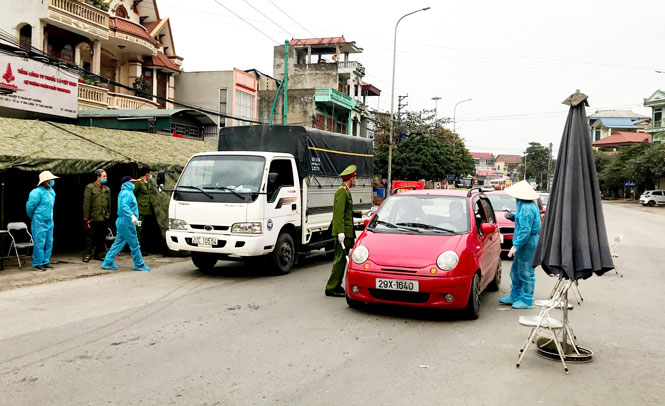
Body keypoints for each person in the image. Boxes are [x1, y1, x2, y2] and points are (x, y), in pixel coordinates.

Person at [499, 180, 541, 309]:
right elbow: (521, 220)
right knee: (516, 271)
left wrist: (516, 245)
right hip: (525, 243)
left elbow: (525, 230)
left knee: (526, 272)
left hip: (528, 244)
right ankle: (515, 295)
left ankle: (527, 300)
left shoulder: (527, 207)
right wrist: (511, 216)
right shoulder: (525, 205)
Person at [325, 165, 362, 297]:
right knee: (340, 260)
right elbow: (339, 214)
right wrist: (340, 232)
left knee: (341, 261)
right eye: (355, 178)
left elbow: (348, 211)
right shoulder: (341, 192)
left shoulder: (346, 191)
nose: (356, 180)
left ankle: (337, 285)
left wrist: (362, 213)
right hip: (343, 233)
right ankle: (331, 287)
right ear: (351, 179)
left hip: (346, 232)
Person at [101, 176, 151, 271]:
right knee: (134, 244)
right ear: (126, 183)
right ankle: (139, 264)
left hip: (123, 221)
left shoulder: (124, 192)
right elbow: (124, 206)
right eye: (132, 183)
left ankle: (107, 262)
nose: (133, 184)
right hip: (127, 221)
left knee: (118, 243)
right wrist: (132, 216)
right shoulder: (127, 193)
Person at [26, 171, 58, 271]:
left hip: (49, 220)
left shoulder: (51, 191)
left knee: (49, 242)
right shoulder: (36, 192)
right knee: (39, 242)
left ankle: (45, 261)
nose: (52, 181)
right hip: (39, 220)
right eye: (51, 179)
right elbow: (29, 207)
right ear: (46, 181)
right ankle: (37, 263)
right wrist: (35, 217)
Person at [82, 169, 111, 262]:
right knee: (90, 237)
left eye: (106, 176)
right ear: (98, 178)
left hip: (103, 217)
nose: (106, 178)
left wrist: (108, 214)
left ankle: (100, 254)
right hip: (93, 217)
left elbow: (109, 204)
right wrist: (86, 218)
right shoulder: (90, 187)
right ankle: (87, 254)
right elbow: (86, 203)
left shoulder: (107, 189)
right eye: (104, 176)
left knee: (101, 237)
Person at [133, 167, 153, 245]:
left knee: (144, 229)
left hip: (146, 210)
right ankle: (137, 247)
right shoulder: (138, 183)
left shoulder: (146, 183)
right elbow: (133, 194)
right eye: (150, 173)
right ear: (146, 174)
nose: (150, 175)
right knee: (138, 228)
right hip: (140, 211)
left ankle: (142, 246)